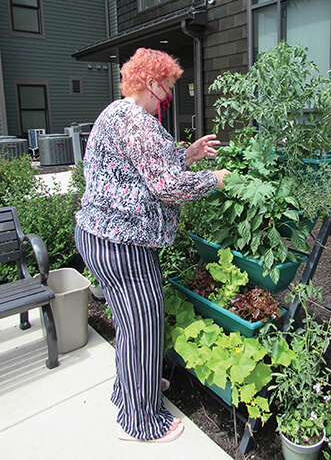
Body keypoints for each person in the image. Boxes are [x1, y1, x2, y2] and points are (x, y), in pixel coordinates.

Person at [75, 48, 229, 442]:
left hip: (104, 237)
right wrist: (214, 178)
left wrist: (188, 154)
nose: (170, 95)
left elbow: (149, 165)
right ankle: (140, 420)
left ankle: (131, 387)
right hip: (121, 242)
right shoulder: (136, 121)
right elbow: (166, 186)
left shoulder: (118, 114)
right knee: (143, 326)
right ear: (151, 81)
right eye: (170, 86)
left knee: (132, 323)